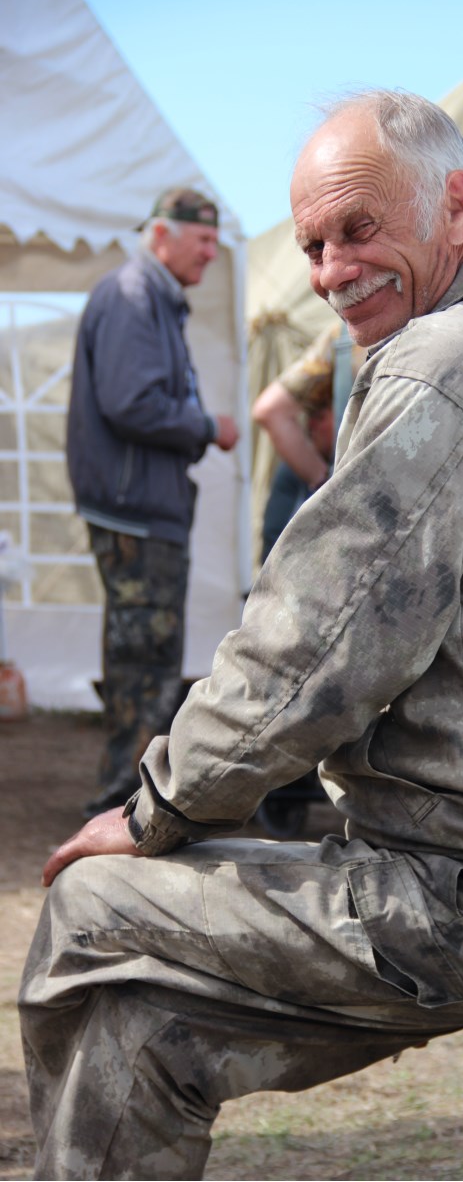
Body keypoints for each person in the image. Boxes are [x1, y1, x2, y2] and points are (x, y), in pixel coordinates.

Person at [21, 91, 463, 1181]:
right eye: (313, 246)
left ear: (457, 207)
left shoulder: (445, 369)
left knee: (90, 906)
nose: (332, 271)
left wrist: (153, 810)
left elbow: (306, 654)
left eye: (359, 230)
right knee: (140, 1029)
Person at [66, 188, 240, 819]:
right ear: (161, 235)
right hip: (134, 512)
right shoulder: (133, 296)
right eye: (203, 240)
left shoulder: (152, 299)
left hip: (142, 507)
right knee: (144, 662)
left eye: (216, 241)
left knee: (145, 657)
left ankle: (130, 799)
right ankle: (123, 806)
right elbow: (132, 403)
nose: (212, 253)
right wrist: (207, 426)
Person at [251, 320, 361, 561]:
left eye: (319, 416)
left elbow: (270, 410)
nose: (310, 426)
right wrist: (325, 485)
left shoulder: (343, 336)